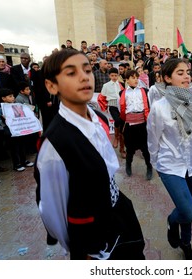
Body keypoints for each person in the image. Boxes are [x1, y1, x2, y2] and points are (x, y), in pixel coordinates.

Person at [35, 49, 145, 260]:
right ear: (51, 85)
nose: (84, 77)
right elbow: (52, 210)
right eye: (71, 73)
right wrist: (82, 250)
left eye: (87, 70)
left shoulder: (98, 119)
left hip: (118, 214)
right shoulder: (55, 144)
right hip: (92, 238)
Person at [147, 58, 192, 259]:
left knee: (189, 210)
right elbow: (152, 137)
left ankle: (186, 243)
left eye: (187, 72)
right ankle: (172, 221)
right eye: (180, 73)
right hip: (169, 166)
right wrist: (155, 163)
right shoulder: (159, 107)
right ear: (167, 78)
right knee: (188, 211)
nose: (187, 76)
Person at [119, 70, 153, 180]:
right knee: (130, 149)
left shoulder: (144, 91)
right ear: (127, 80)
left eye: (137, 77)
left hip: (142, 124)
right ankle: (128, 165)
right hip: (130, 124)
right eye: (133, 77)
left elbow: (148, 107)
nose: (136, 80)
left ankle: (149, 167)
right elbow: (122, 110)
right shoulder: (123, 93)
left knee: (145, 149)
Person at [0, 88, 34, 171]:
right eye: (10, 96)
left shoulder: (15, 106)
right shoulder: (1, 109)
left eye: (13, 96)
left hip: (19, 130)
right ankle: (17, 164)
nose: (13, 98)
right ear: (3, 98)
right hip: (10, 132)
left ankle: (24, 160)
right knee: (14, 148)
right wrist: (4, 119)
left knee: (22, 146)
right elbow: (0, 122)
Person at [100, 67, 125, 157]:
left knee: (122, 125)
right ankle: (116, 137)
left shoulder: (121, 84)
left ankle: (122, 148)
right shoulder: (106, 85)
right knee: (117, 120)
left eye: (116, 75)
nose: (114, 77)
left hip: (121, 106)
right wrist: (105, 106)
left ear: (118, 75)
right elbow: (101, 97)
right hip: (112, 105)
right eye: (112, 75)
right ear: (109, 76)